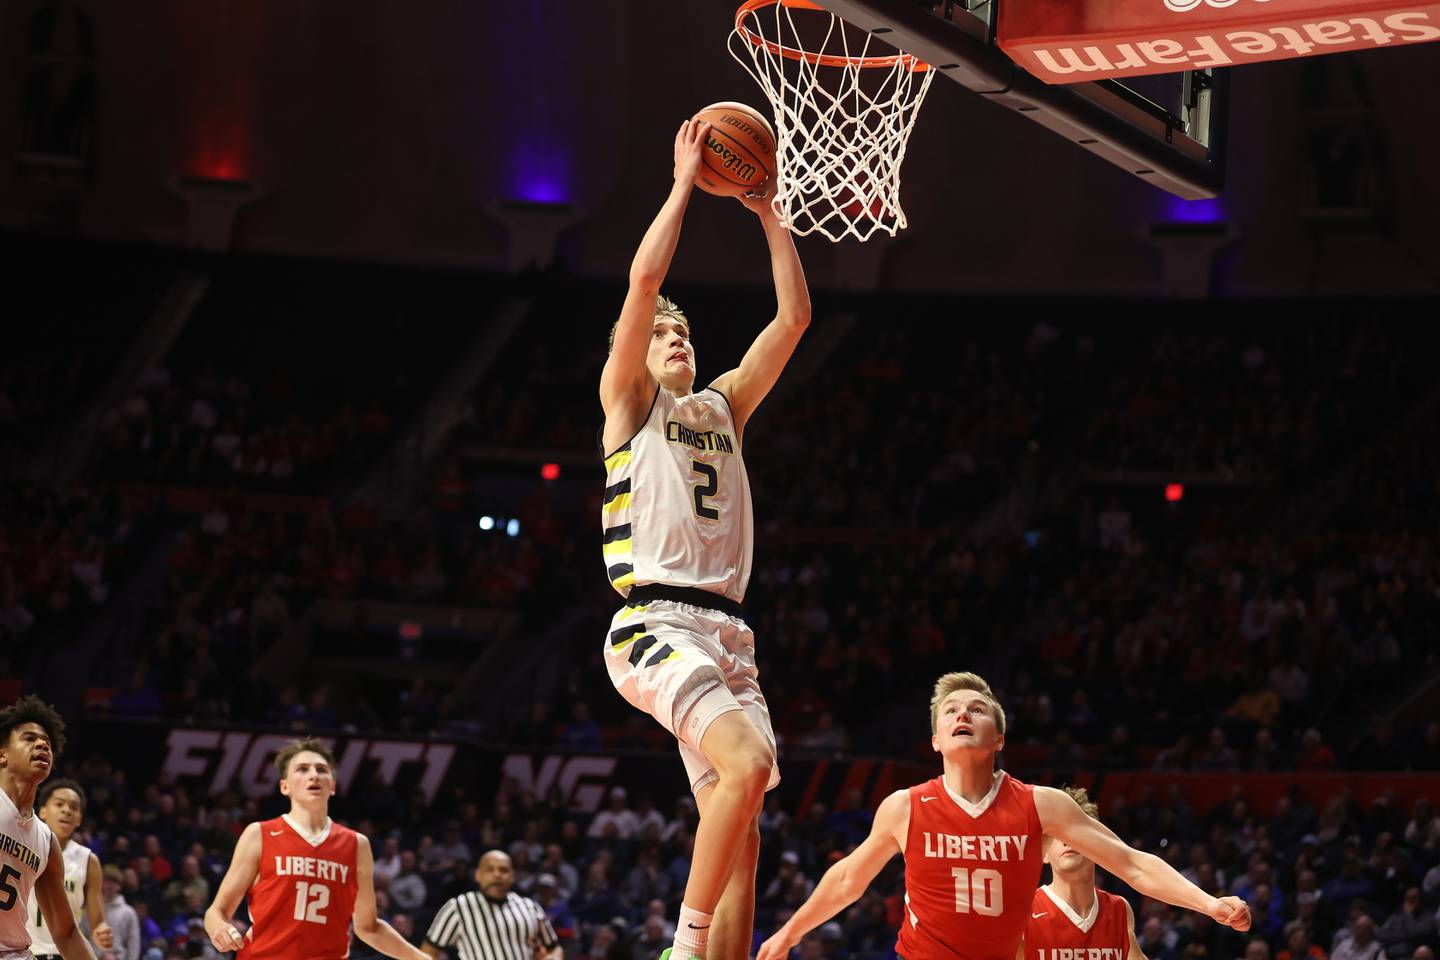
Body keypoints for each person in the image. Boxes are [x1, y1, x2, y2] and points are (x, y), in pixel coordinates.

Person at [598, 116, 811, 960]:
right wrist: (687, 182)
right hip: (653, 624)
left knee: (744, 821)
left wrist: (768, 210)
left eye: (685, 331)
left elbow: (793, 318)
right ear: (636, 354)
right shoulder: (628, 404)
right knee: (750, 765)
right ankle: (682, 950)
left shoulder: (722, 406)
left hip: (729, 634)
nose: (677, 336)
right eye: (663, 333)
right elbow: (645, 280)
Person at [756, 672, 1251, 960]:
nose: (962, 715)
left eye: (976, 708)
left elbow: (1132, 864)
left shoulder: (1041, 804)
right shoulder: (906, 806)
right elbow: (847, 879)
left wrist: (1208, 904)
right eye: (950, 711)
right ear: (935, 741)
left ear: (1000, 739)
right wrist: (789, 933)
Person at [204, 737, 427, 960]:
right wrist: (219, 929)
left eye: (321, 769)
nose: (314, 775)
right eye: (302, 769)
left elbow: (368, 927)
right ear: (285, 786)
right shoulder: (259, 834)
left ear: (332, 786)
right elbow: (217, 911)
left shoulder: (356, 844)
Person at [0, 696, 98, 960]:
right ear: (2, 754)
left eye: (47, 742)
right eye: (29, 738)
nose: (42, 743)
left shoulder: (46, 841)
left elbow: (66, 932)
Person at [1023, 787, 1144, 960]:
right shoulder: (1025, 911)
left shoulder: (1119, 911)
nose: (1067, 840)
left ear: (1096, 843)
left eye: (1075, 832)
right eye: (1057, 833)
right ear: (1044, 853)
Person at [422, 850, 561, 960]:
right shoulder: (458, 907)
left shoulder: (530, 907)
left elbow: (554, 948)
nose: (497, 875)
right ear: (478, 876)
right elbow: (429, 951)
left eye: (503, 870)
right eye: (490, 869)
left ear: (513, 876)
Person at [31, 778, 114, 958]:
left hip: (65, 953)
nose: (67, 810)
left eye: (74, 807)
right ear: (43, 811)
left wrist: (102, 931)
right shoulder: (25, 847)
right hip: (25, 951)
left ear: (79, 819)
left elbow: (97, 921)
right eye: (59, 804)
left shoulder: (88, 860)